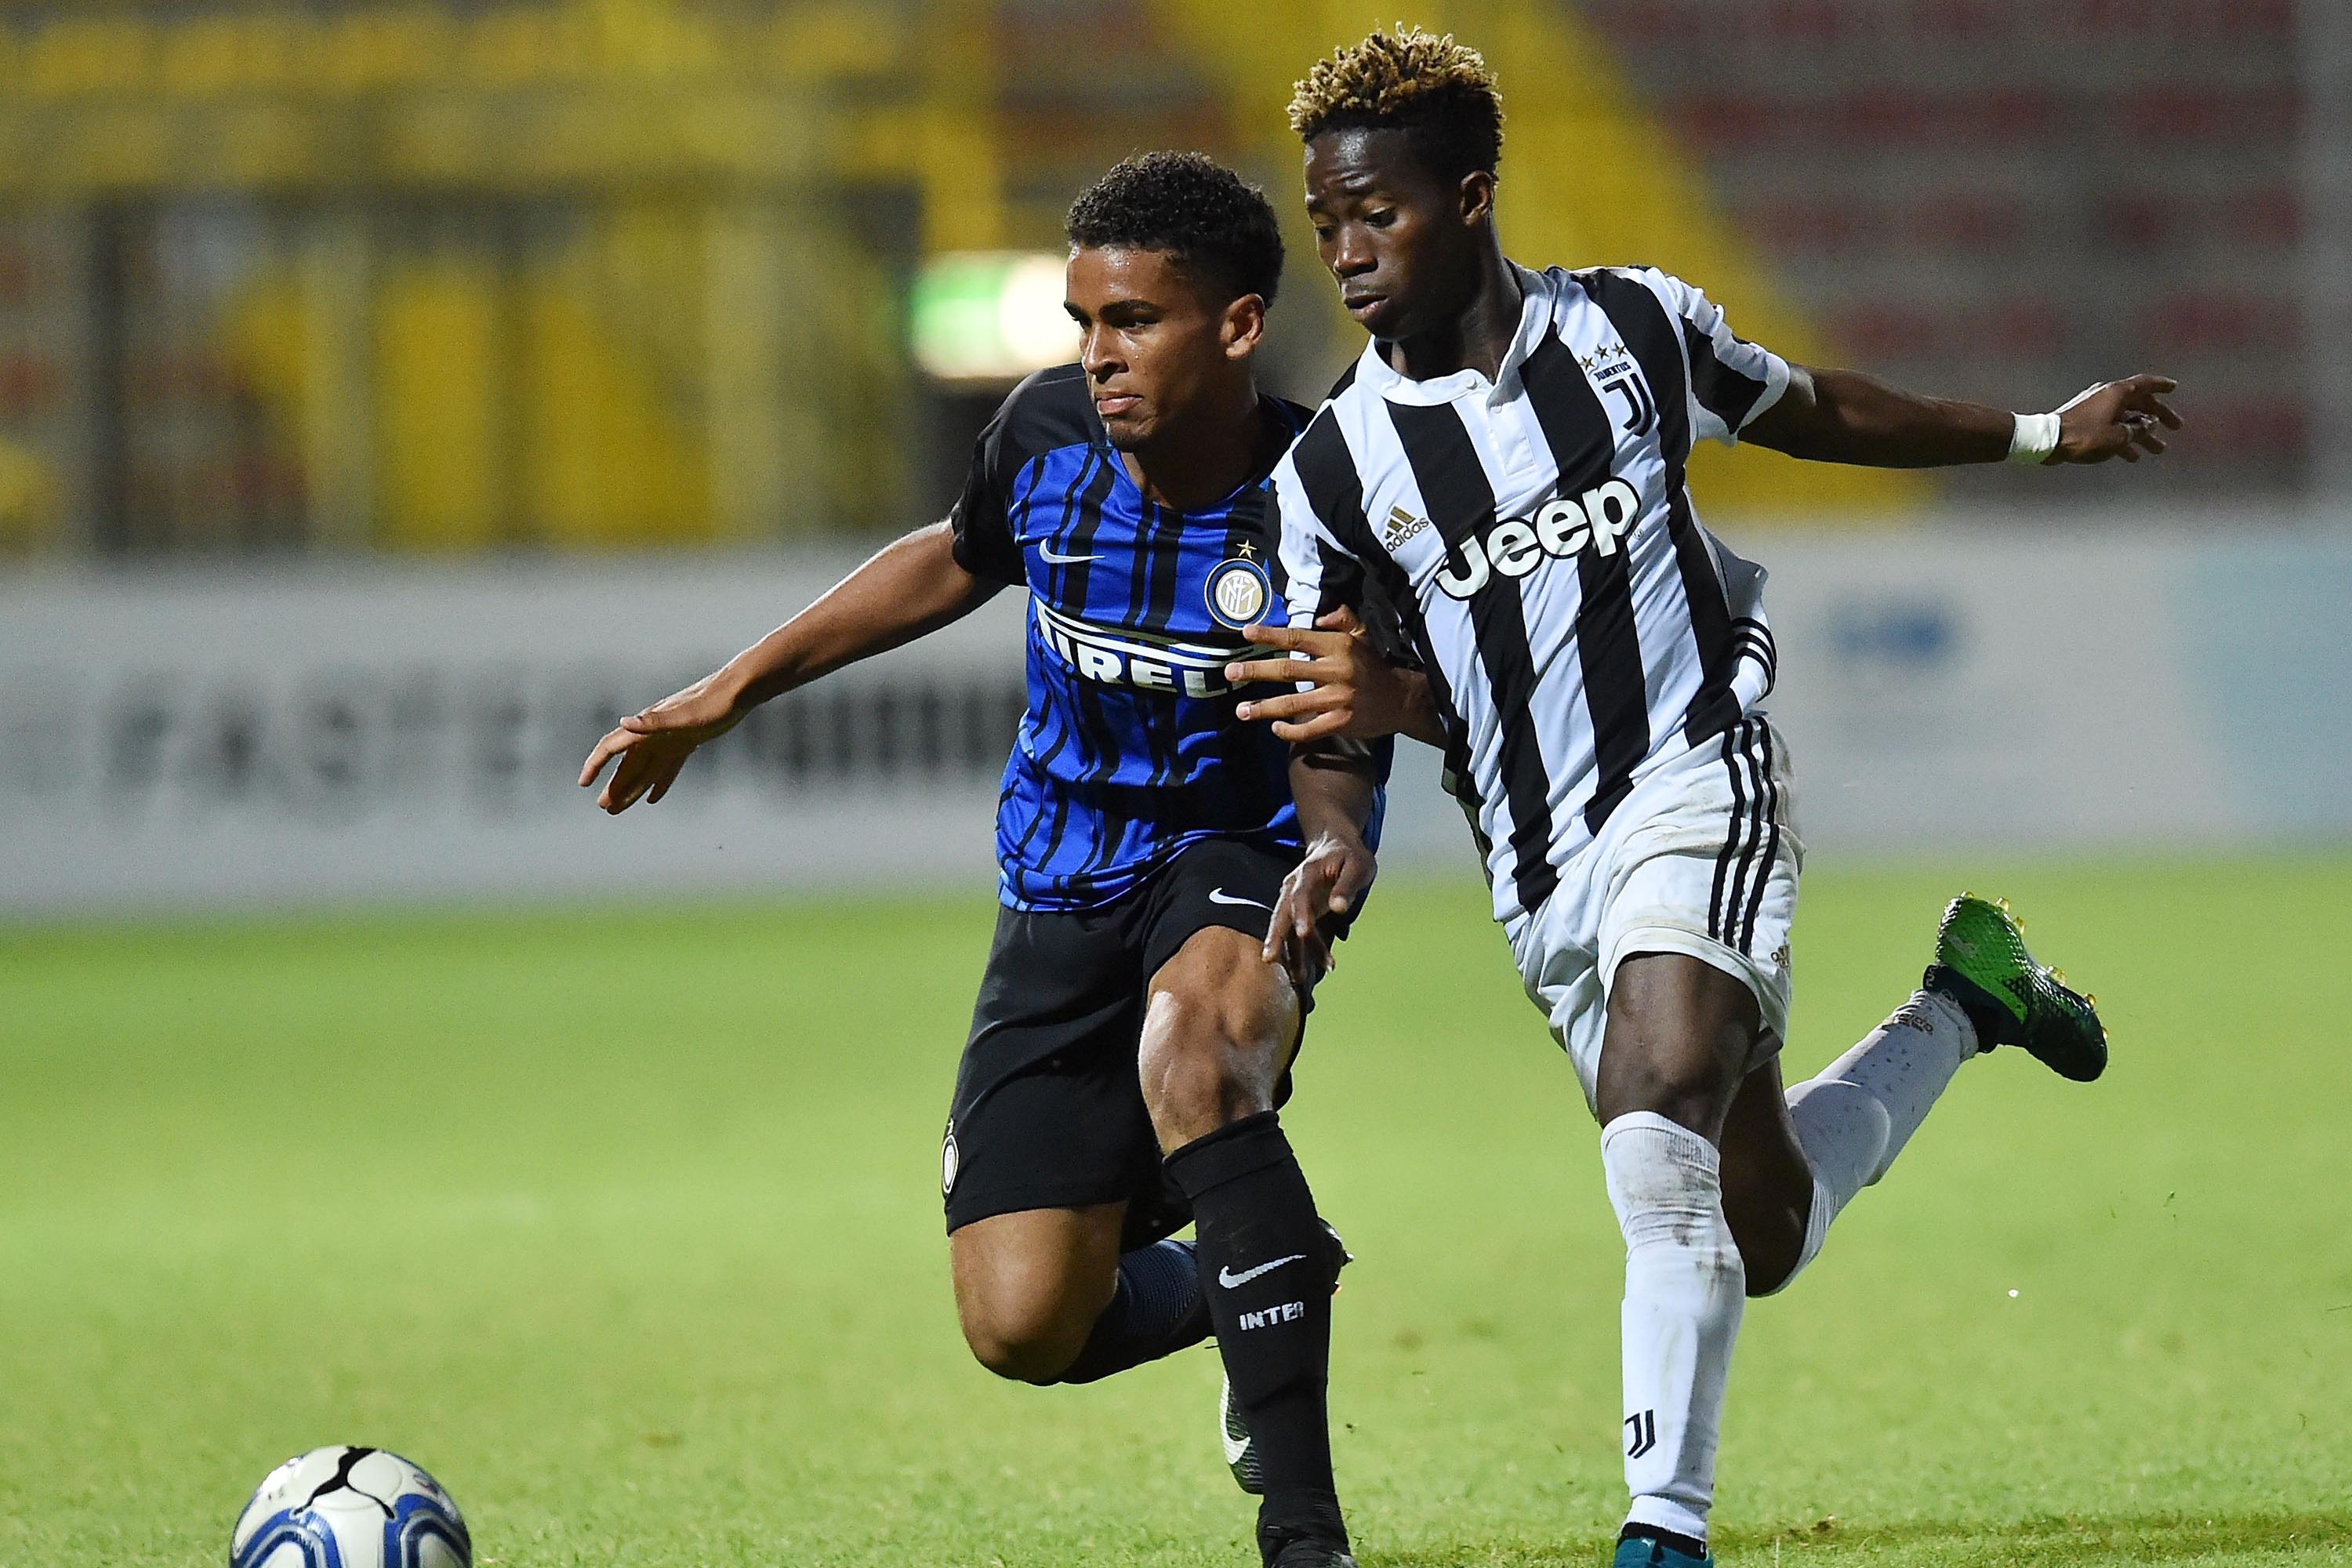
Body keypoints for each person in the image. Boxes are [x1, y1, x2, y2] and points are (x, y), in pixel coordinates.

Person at [1224, 28, 2180, 1568]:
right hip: (1542, 871)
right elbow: (1330, 702)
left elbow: (1813, 407)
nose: (1344, 250)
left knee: (1656, 1096)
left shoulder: (1630, 331)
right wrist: (1333, 834)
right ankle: (1963, 1001)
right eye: (1326, 220)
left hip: (1697, 777)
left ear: (1469, 198)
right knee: (1759, 1228)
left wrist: (2032, 432)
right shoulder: (1332, 468)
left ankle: (1662, 1529)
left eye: (1376, 216)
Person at [578, 151, 1381, 1568]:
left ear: (1240, 327)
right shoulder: (1045, 435)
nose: (1100, 353)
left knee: (1206, 1048)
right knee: (1022, 1325)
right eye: (1085, 322)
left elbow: (1333, 707)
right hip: (1058, 884)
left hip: (1230, 853)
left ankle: (1303, 1529)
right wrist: (729, 690)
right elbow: (953, 557)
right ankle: (1260, 1268)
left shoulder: (1328, 488)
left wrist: (1332, 841)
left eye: (1134, 320)